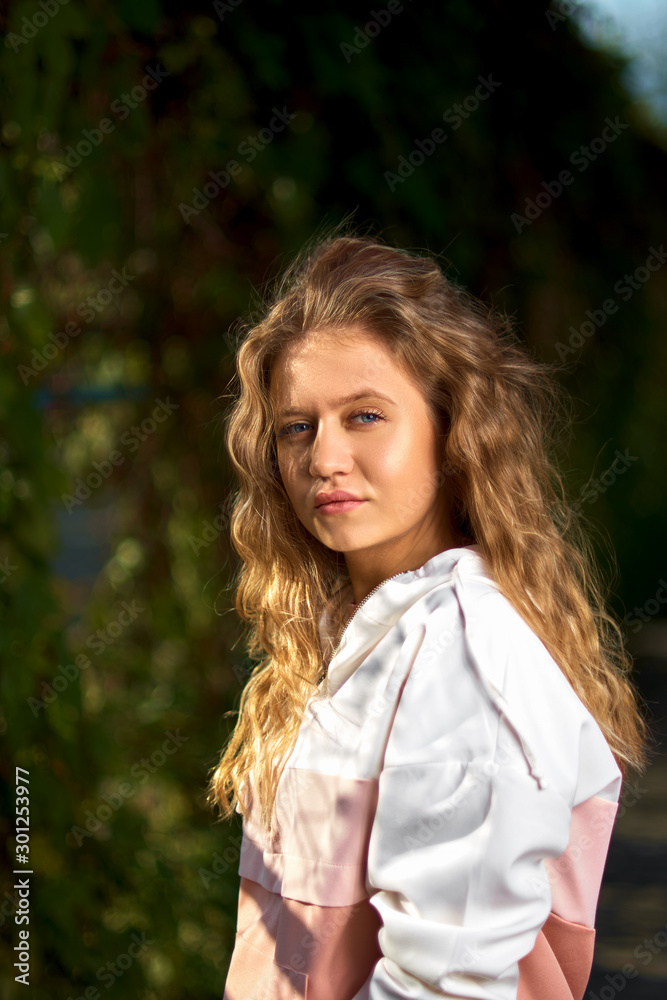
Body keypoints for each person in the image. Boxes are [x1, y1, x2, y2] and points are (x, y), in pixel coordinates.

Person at [207, 225, 647, 1000]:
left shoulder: (458, 650)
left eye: (365, 416)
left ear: (451, 434)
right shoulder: (355, 633)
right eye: (296, 428)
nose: (323, 458)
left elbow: (447, 987)